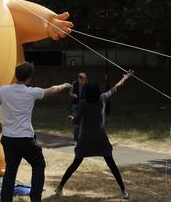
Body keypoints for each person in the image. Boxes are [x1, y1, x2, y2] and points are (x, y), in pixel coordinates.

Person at [0, 62, 72, 202]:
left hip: (8, 138)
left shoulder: (3, 90)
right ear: (29, 78)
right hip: (25, 139)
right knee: (39, 165)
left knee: (10, 171)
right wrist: (64, 85)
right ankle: (35, 198)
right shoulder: (32, 92)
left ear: (15, 75)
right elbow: (52, 89)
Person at [53, 71, 134, 200]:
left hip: (85, 139)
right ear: (97, 90)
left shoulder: (83, 103)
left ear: (87, 91)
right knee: (112, 165)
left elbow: (76, 121)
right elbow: (115, 88)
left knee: (75, 164)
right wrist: (125, 77)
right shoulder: (102, 98)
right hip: (100, 139)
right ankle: (124, 191)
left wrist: (71, 118)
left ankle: (59, 187)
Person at [68, 73, 87, 144]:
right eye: (82, 80)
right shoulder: (74, 83)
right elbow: (70, 93)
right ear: (79, 79)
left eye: (84, 80)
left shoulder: (87, 84)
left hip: (84, 105)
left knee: (84, 122)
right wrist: (74, 95)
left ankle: (83, 138)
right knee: (76, 122)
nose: (83, 82)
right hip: (75, 105)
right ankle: (76, 140)